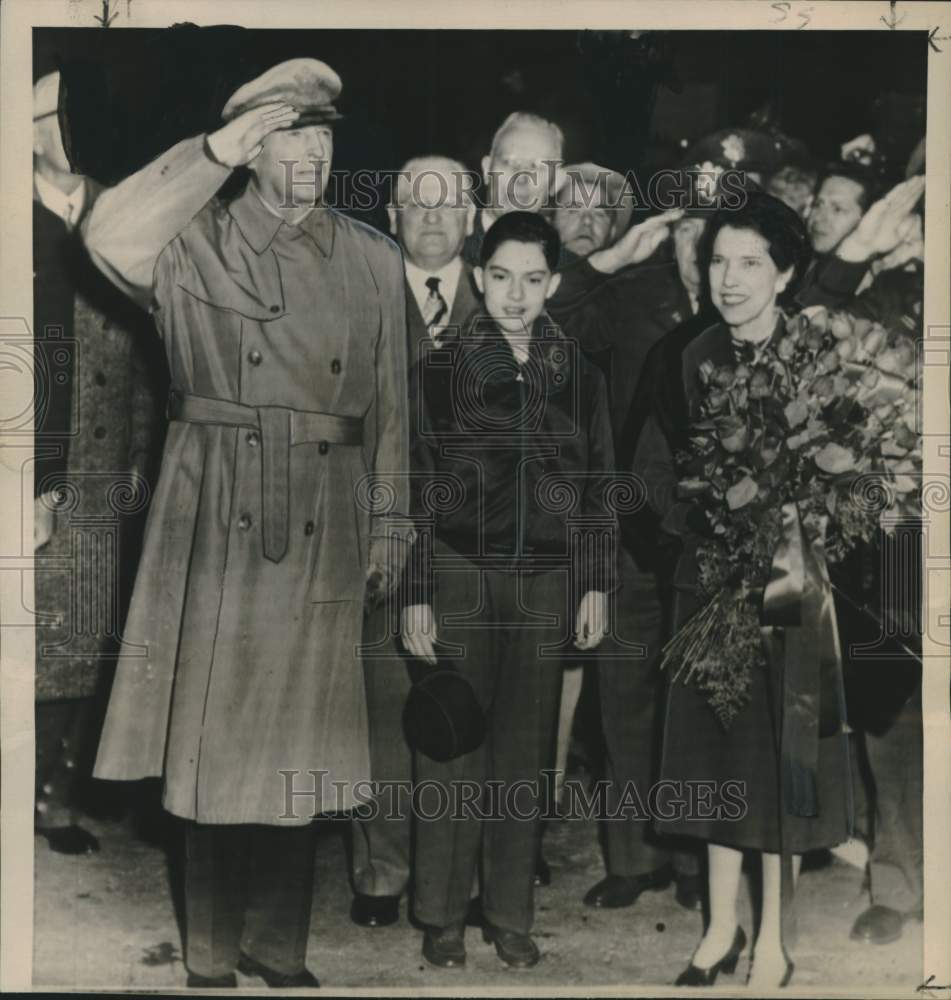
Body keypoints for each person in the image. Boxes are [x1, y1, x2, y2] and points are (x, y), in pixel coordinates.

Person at [83, 58, 410, 988]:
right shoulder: (192, 243)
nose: (308, 152)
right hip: (218, 505)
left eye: (319, 135)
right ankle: (211, 954)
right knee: (215, 741)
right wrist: (207, 155)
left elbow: (390, 412)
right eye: (283, 135)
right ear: (248, 150)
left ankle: (279, 946)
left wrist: (390, 527)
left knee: (300, 742)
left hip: (326, 513)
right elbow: (108, 232)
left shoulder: (370, 257)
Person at [633, 193, 848, 989]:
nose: (729, 278)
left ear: (785, 273)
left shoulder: (816, 355)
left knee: (776, 762)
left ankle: (775, 942)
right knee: (711, 757)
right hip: (708, 585)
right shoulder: (692, 357)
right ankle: (719, 929)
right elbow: (663, 470)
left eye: (749, 262)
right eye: (718, 260)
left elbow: (848, 475)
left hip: (788, 592)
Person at [402, 212, 616, 970]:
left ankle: (509, 911)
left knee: (523, 754)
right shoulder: (437, 370)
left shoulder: (583, 375)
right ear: (477, 273)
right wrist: (416, 591)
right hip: (458, 573)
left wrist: (592, 584)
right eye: (500, 277)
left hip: (545, 584)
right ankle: (440, 913)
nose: (515, 294)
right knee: (453, 742)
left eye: (532, 279)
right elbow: (417, 489)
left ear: (553, 284)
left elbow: (596, 488)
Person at [32, 71, 160, 856]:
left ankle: (57, 794)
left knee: (96, 645)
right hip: (44, 467)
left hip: (111, 472)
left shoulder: (126, 215)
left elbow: (150, 354)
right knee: (41, 645)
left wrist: (143, 458)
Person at [350, 156, 479, 930]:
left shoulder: (501, 294)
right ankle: (380, 869)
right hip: (379, 530)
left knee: (456, 704)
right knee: (379, 706)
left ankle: (451, 876)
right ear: (393, 215)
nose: (431, 216)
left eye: (448, 202)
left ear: (472, 214)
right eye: (415, 202)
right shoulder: (360, 288)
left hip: (470, 547)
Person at [463, 111, 570, 268]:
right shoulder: (451, 248)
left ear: (556, 182)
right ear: (487, 170)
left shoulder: (565, 266)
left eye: (536, 166)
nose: (521, 178)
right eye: (509, 162)